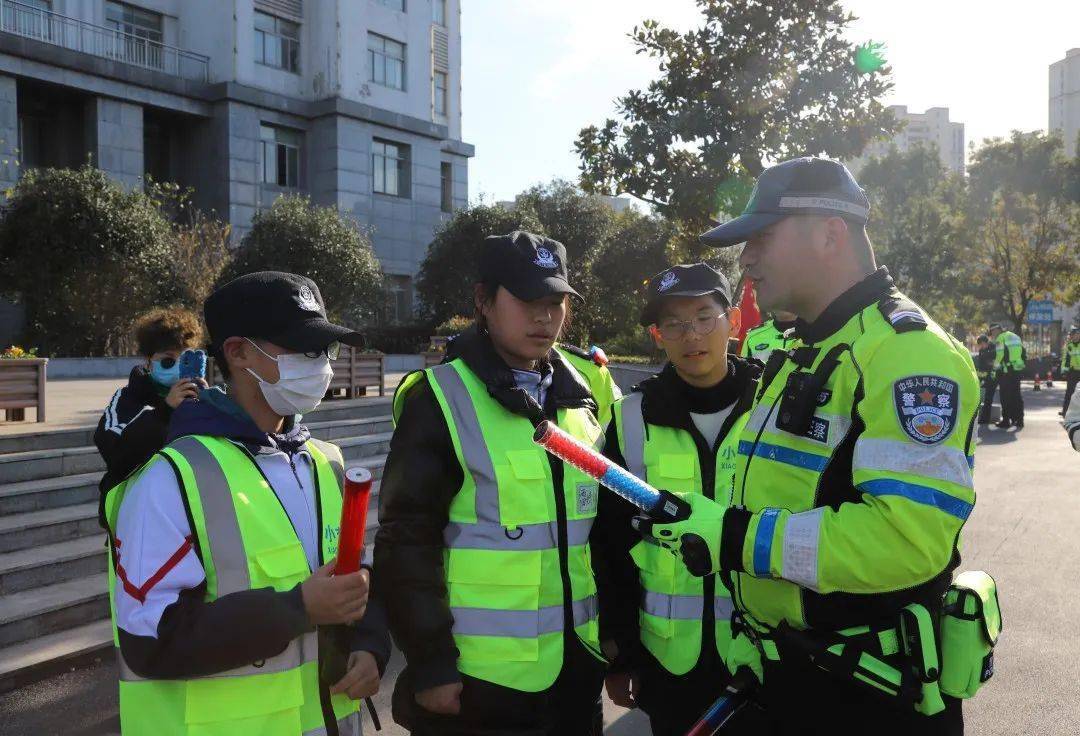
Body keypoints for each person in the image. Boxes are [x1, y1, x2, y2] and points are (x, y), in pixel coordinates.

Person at [637, 157, 977, 735]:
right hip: (791, 678)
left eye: (761, 238)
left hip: (870, 699)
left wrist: (734, 536)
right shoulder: (805, 348)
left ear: (829, 232)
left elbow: (905, 540)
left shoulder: (907, 354)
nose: (745, 259)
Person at [103, 272, 390, 735]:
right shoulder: (170, 477)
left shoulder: (326, 462)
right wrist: (298, 608)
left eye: (325, 350)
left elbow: (355, 576)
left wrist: (372, 645)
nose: (319, 364)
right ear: (237, 353)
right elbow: (148, 639)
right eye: (300, 348)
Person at [375, 231, 617, 736]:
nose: (545, 317)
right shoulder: (438, 398)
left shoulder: (580, 395)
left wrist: (618, 642)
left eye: (556, 303)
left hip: (576, 672)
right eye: (529, 301)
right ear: (483, 302)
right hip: (477, 685)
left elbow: (603, 536)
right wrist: (430, 663)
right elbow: (406, 542)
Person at [593, 263, 762, 736]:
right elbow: (610, 544)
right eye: (674, 324)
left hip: (762, 655)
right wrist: (621, 652)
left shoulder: (772, 406)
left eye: (705, 317)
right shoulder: (630, 419)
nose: (692, 335)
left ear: (732, 320)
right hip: (667, 661)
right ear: (657, 335)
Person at [94, 307, 205, 527]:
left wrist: (208, 407)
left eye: (183, 359)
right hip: (135, 518)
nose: (175, 367)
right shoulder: (128, 398)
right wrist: (165, 411)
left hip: (186, 518)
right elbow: (115, 453)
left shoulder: (200, 398)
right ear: (148, 360)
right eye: (167, 360)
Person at [988, 322, 1025, 429]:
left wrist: (994, 371)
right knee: (1017, 396)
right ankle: (1019, 420)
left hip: (1006, 372)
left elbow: (999, 356)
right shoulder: (1015, 336)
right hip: (1017, 370)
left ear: (996, 330)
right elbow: (1023, 352)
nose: (992, 335)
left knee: (1005, 397)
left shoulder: (1001, 339)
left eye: (992, 332)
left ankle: (1006, 421)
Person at [975, 334, 997, 425]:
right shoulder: (982, 351)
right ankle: (983, 418)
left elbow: (994, 362)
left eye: (981, 344)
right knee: (984, 398)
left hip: (994, 376)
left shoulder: (994, 349)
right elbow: (981, 365)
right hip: (985, 377)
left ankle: (985, 419)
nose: (980, 347)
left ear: (984, 342)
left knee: (988, 398)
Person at [1061, 326, 1080, 416]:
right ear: (1071, 336)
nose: (1076, 336)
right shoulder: (1069, 346)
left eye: (1078, 334)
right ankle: (1065, 411)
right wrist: (1064, 371)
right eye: (1075, 335)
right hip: (1072, 372)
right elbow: (1065, 359)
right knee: (1069, 392)